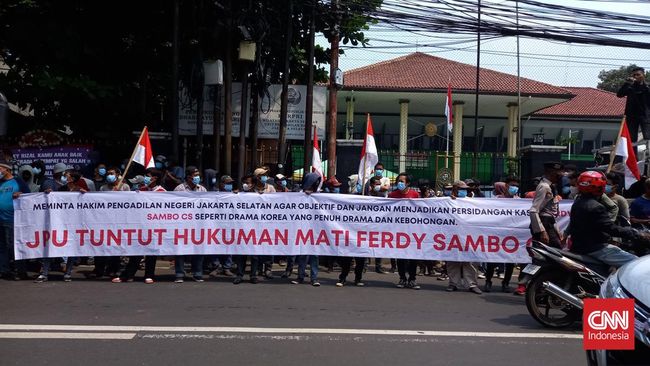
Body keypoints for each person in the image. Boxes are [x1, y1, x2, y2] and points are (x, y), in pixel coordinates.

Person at [568, 171, 642, 267]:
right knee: (637, 263)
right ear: (599, 187)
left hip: (580, 246)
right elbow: (609, 228)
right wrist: (636, 234)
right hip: (595, 248)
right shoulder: (597, 207)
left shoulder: (578, 202)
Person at [112, 168, 166, 284]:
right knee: (136, 252)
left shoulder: (162, 192)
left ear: (155, 178)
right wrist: (116, 194)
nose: (146, 178)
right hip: (140, 226)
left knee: (151, 252)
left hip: (154, 227)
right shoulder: (141, 190)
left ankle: (149, 275)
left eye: (148, 175)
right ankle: (128, 275)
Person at [34, 171, 88, 282]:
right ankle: (44, 273)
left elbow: (88, 203)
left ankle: (68, 273)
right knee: (50, 245)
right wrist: (48, 194)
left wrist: (86, 195)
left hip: (74, 224)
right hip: (60, 222)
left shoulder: (80, 190)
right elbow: (54, 200)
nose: (64, 177)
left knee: (71, 249)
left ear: (72, 178)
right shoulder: (61, 189)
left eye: (66, 176)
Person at [446, 180, 482, 294]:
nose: (463, 191)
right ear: (454, 189)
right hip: (453, 234)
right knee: (452, 259)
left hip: (469, 234)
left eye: (464, 189)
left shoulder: (471, 202)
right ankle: (453, 283)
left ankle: (472, 284)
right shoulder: (447, 201)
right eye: (460, 189)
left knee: (470, 260)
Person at [484, 179, 519, 293]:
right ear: (507, 186)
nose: (515, 188)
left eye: (517, 186)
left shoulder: (520, 201)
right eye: (513, 185)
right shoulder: (496, 200)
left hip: (511, 236)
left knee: (510, 261)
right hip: (497, 235)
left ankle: (506, 283)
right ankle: (488, 281)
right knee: (492, 259)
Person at [172, 167, 207, 283]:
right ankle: (179, 273)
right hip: (182, 223)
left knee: (198, 248)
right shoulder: (179, 189)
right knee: (180, 248)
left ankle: (197, 273)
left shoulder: (202, 189)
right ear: (188, 177)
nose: (197, 178)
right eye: (195, 175)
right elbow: (173, 206)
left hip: (198, 224)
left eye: (198, 175)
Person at [388, 173, 421, 290]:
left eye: (402, 181)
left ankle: (412, 279)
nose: (399, 183)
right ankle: (402, 278)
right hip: (398, 230)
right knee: (400, 256)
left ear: (408, 183)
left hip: (412, 230)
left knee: (413, 256)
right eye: (398, 181)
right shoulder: (392, 195)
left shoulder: (414, 194)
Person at [0, 160, 31, 280]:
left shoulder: (18, 181)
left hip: (13, 220)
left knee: (14, 246)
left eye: (0, 168)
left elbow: (29, 196)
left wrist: (20, 193)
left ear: (6, 169)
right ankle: (4, 270)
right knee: (2, 246)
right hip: (0, 219)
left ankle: (20, 271)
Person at [290, 172, 321, 286]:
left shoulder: (319, 195)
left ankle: (314, 278)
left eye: (317, 181)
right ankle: (300, 276)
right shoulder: (299, 194)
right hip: (302, 229)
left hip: (316, 230)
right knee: (302, 255)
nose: (316, 183)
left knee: (314, 255)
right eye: (314, 181)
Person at [617, 67, 650, 142]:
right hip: (631, 116)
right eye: (634, 75)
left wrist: (646, 87)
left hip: (645, 115)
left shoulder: (648, 86)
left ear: (643, 75)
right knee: (632, 139)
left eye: (638, 74)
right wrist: (627, 83)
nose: (636, 77)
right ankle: (633, 153)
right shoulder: (630, 86)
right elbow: (619, 94)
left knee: (648, 137)